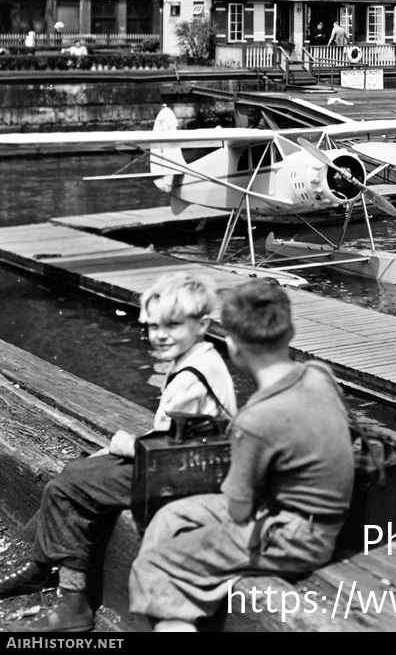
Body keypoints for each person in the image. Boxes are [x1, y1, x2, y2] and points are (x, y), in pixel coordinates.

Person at [0, 271, 235, 634]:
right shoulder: (199, 358)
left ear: (202, 324)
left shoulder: (193, 375)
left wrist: (123, 444)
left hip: (186, 478)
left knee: (68, 487)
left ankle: (72, 604)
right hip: (181, 467)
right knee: (78, 472)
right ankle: (40, 566)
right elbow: (177, 434)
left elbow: (170, 447)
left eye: (172, 325)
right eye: (153, 326)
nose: (159, 335)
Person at [128, 280, 353, 632]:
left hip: (296, 536)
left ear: (231, 345)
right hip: (302, 514)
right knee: (170, 518)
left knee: (152, 567)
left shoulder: (256, 421)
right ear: (289, 331)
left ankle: (173, 615)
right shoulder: (319, 374)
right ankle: (176, 615)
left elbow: (238, 511)